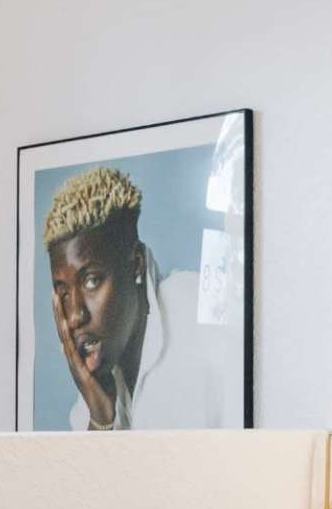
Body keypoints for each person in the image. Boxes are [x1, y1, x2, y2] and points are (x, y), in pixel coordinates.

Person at [41, 166, 232, 429]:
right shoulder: (96, 383)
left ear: (137, 264)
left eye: (91, 280)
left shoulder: (203, 312)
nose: (74, 316)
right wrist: (100, 420)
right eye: (63, 292)